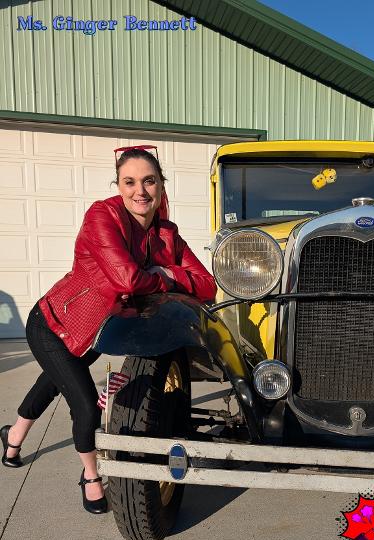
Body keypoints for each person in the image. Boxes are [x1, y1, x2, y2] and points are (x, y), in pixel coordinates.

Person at [0, 145, 217, 514]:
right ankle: (90, 476)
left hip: (96, 334)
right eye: (129, 182)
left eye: (149, 181)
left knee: (50, 384)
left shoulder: (167, 234)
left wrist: (166, 270)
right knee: (86, 407)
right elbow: (126, 279)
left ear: (161, 185)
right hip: (54, 324)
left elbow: (207, 285)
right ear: (118, 186)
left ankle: (13, 436)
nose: (140, 191)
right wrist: (168, 279)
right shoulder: (102, 216)